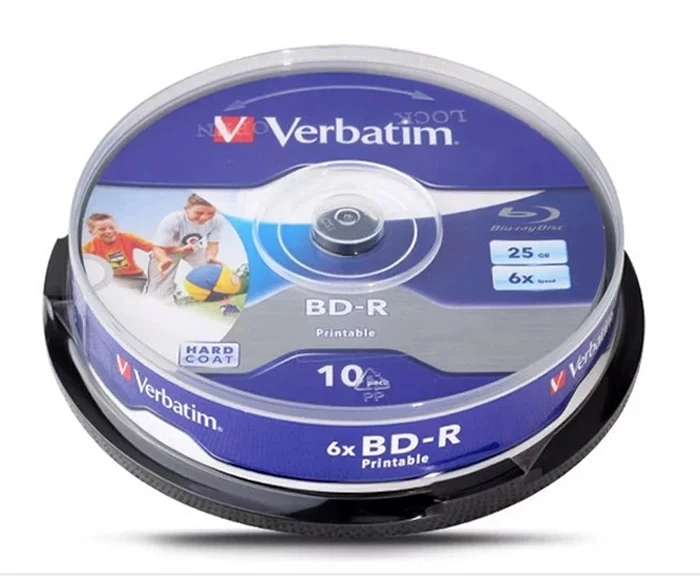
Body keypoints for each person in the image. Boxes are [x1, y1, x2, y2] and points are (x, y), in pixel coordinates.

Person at [145, 193, 227, 301]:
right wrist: (163, 259)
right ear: (187, 209)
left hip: (192, 249)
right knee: (159, 289)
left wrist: (210, 257)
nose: (205, 217)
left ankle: (225, 304)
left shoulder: (217, 220)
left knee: (216, 274)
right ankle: (153, 307)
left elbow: (213, 244)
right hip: (167, 252)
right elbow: (158, 248)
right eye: (199, 213)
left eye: (210, 213)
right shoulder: (173, 220)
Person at [82, 213, 154, 291]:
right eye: (102, 229)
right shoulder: (89, 247)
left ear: (117, 227)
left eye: (112, 227)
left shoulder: (127, 237)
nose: (108, 231)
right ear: (91, 232)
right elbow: (83, 264)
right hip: (114, 280)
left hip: (136, 277)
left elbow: (153, 247)